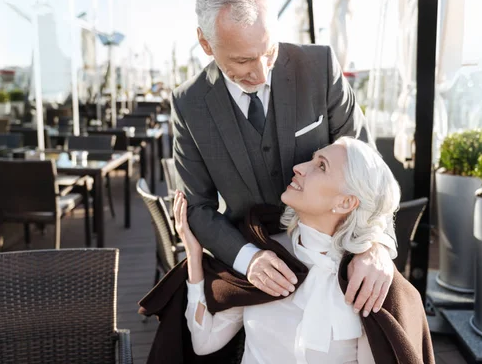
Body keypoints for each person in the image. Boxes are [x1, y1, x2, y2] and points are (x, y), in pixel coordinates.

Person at [172, 0, 396, 314]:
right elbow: (198, 208)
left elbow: (369, 168)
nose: (260, 74)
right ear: (205, 43)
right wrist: (250, 259)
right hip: (253, 260)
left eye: (269, 51)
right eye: (243, 60)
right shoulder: (189, 104)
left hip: (336, 254)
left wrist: (375, 245)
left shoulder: (320, 67)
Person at [172, 138, 434, 363]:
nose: (298, 168)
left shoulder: (363, 286)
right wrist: (194, 256)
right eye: (312, 159)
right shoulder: (263, 255)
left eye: (321, 166)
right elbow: (203, 342)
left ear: (345, 202)